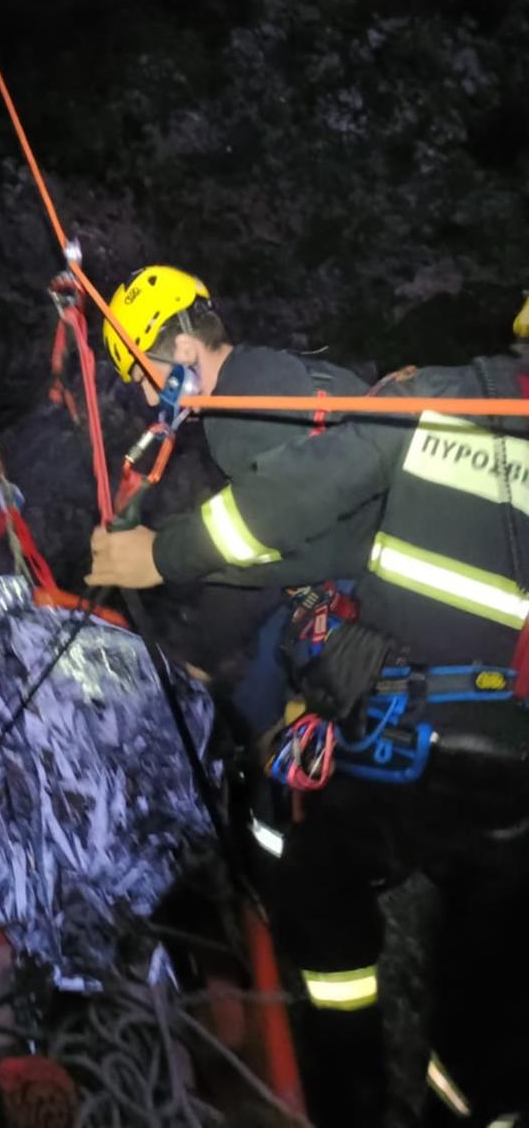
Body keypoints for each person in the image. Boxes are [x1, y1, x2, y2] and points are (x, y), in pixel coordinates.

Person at [88, 303, 529, 1128]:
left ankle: (347, 1091)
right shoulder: (345, 385)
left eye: (141, 370)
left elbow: (287, 510)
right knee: (489, 1007)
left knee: (316, 881)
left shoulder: (426, 399)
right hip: (512, 782)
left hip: (409, 739)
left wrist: (158, 555)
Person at [103, 264, 374, 737]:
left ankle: (266, 769)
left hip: (366, 570)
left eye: (145, 375)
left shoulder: (233, 420)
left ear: (185, 351)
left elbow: (273, 536)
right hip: (370, 538)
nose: (149, 399)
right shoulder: (274, 367)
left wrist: (166, 567)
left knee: (253, 695)